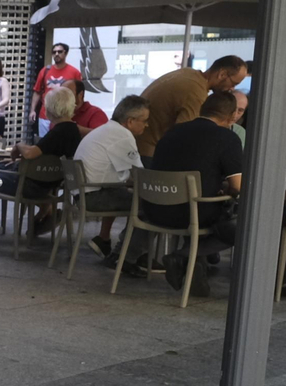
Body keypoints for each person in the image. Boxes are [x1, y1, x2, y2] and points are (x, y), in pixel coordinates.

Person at [144, 91, 244, 298]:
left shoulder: (172, 132)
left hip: (154, 209)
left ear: (202, 109)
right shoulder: (227, 138)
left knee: (201, 203)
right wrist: (225, 191)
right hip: (193, 214)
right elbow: (237, 187)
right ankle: (184, 255)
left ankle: (195, 276)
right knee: (245, 227)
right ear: (233, 115)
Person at [0, 87, 82, 244]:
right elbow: (43, 156)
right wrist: (21, 162)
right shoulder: (73, 130)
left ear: (50, 108)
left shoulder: (59, 131)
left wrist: (19, 146)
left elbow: (31, 153)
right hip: (44, 183)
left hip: (28, 184)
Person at [72, 96, 148, 259]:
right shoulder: (123, 136)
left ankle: (104, 240)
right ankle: (128, 256)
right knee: (152, 206)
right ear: (130, 121)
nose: (147, 125)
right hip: (94, 197)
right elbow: (140, 176)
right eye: (144, 120)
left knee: (122, 191)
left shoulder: (105, 129)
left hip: (84, 194)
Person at [135, 55, 247, 157]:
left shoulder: (187, 73)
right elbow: (187, 138)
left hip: (138, 148)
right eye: (234, 83)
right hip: (150, 156)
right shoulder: (195, 92)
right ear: (222, 74)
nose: (232, 88)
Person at [30, 42, 81, 137]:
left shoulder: (74, 72)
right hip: (45, 115)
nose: (56, 54)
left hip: (65, 116)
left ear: (65, 53)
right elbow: (37, 91)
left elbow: (79, 93)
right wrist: (32, 110)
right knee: (44, 143)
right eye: (54, 52)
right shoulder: (45, 71)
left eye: (60, 51)